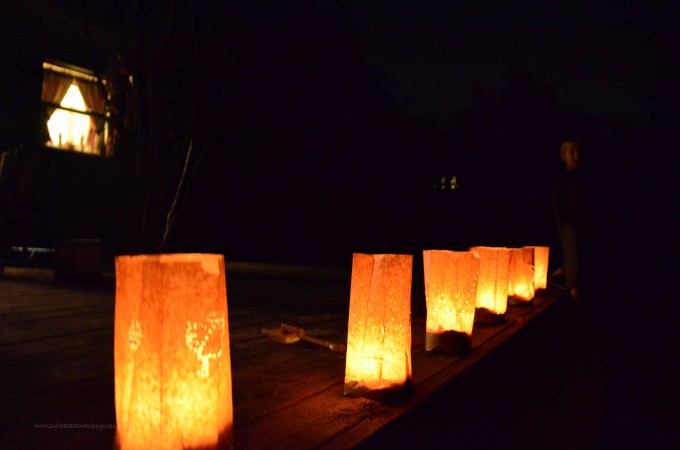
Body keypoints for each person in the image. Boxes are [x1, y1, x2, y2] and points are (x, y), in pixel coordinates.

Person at [551, 139, 583, 299]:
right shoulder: (563, 181)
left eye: (579, 152)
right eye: (572, 152)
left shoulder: (583, 179)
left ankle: (567, 272)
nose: (576, 156)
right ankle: (573, 284)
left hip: (582, 226)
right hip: (569, 226)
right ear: (564, 156)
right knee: (572, 244)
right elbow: (559, 208)